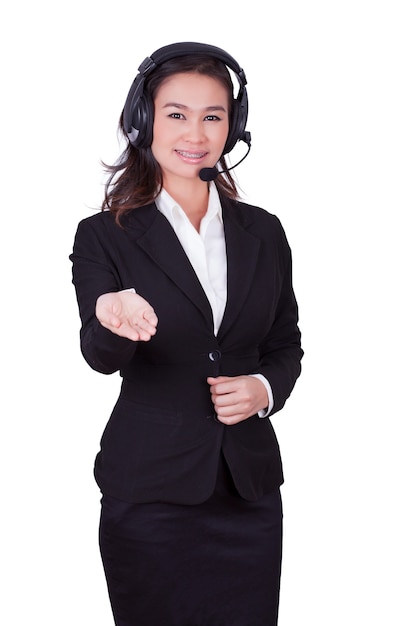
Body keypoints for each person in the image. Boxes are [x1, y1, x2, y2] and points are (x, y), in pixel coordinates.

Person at [70, 41, 303, 626]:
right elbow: (100, 356)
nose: (195, 132)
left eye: (213, 116)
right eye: (176, 113)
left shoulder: (264, 232)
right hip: (149, 494)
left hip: (247, 492)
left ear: (233, 127)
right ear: (144, 120)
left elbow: (284, 344)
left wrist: (264, 388)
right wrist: (112, 316)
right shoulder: (104, 236)